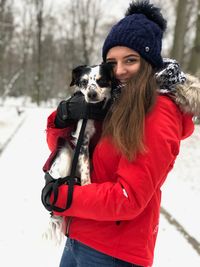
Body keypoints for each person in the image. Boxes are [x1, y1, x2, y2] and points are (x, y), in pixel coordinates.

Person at [42, 1, 198, 266]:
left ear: (149, 62)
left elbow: (128, 198)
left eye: (131, 60)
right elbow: (69, 148)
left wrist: (65, 198)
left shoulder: (158, 112)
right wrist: (62, 116)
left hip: (112, 251)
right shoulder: (115, 100)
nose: (120, 70)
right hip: (81, 236)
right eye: (111, 62)